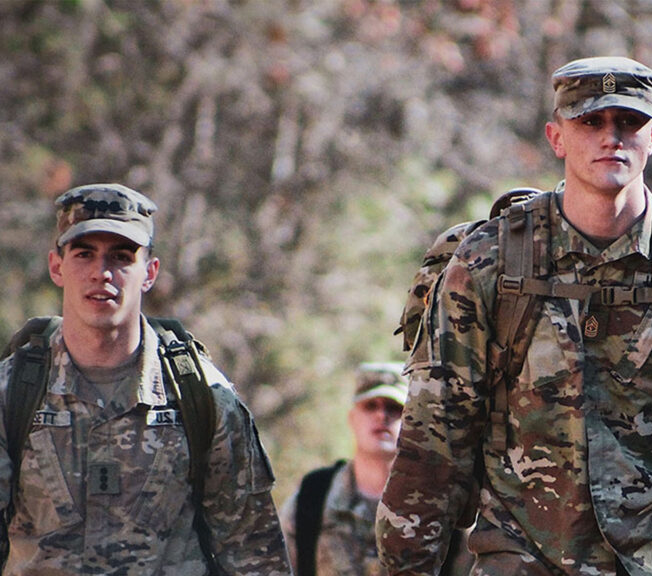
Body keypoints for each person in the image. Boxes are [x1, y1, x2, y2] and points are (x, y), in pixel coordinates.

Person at [377, 56, 652, 575]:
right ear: (557, 137)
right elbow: (433, 441)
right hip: (522, 558)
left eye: (629, 122)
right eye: (590, 121)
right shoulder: (490, 262)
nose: (610, 138)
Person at [0, 184, 291, 574]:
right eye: (84, 254)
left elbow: (253, 554)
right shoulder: (13, 393)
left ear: (150, 273)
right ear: (56, 267)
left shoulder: (201, 397)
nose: (102, 273)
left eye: (121, 257)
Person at [279, 362, 471, 576]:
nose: (381, 416)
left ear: (415, 421)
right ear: (352, 419)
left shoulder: (442, 506)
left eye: (394, 408)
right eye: (370, 406)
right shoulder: (311, 500)